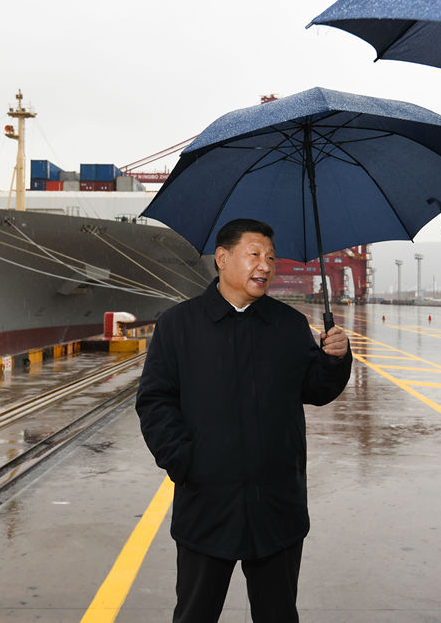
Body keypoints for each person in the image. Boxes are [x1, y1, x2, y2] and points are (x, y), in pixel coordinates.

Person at [135, 218, 352, 623]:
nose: (265, 266)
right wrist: (184, 460)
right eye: (254, 254)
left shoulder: (288, 325)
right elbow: (155, 401)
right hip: (207, 505)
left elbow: (316, 390)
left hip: (277, 506)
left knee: (278, 615)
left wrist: (335, 359)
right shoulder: (178, 325)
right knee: (195, 615)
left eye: (271, 257)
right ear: (222, 258)